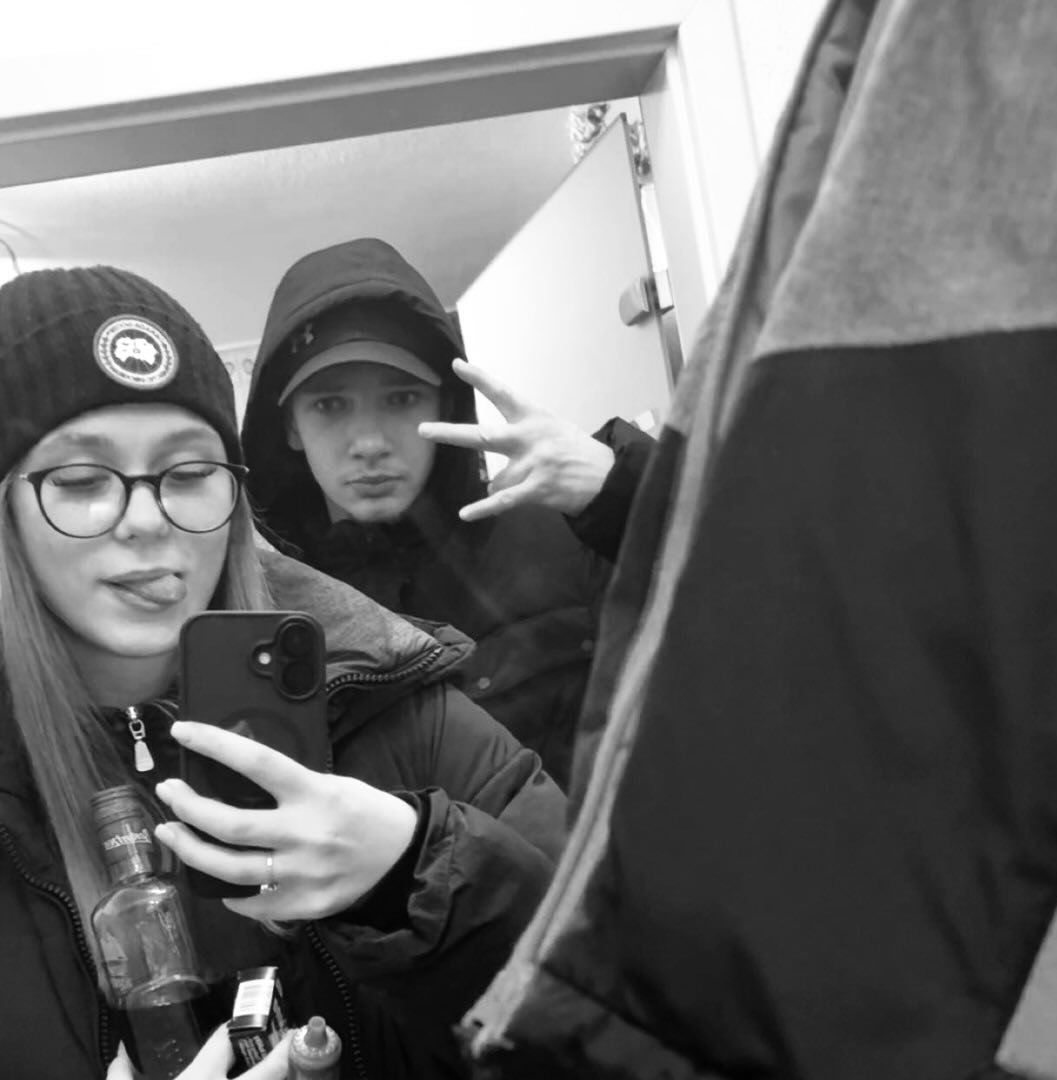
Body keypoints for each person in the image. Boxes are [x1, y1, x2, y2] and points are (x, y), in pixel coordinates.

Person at [0, 264, 564, 1080]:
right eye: (83, 481)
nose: (148, 521)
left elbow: (634, 1006)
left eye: (190, 474)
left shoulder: (399, 706)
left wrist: (420, 871)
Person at [241, 237, 650, 788]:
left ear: (445, 404)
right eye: (330, 405)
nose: (369, 443)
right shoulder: (265, 608)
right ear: (291, 426)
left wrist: (624, 489)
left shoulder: (560, 535)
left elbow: (738, 621)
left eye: (401, 398)